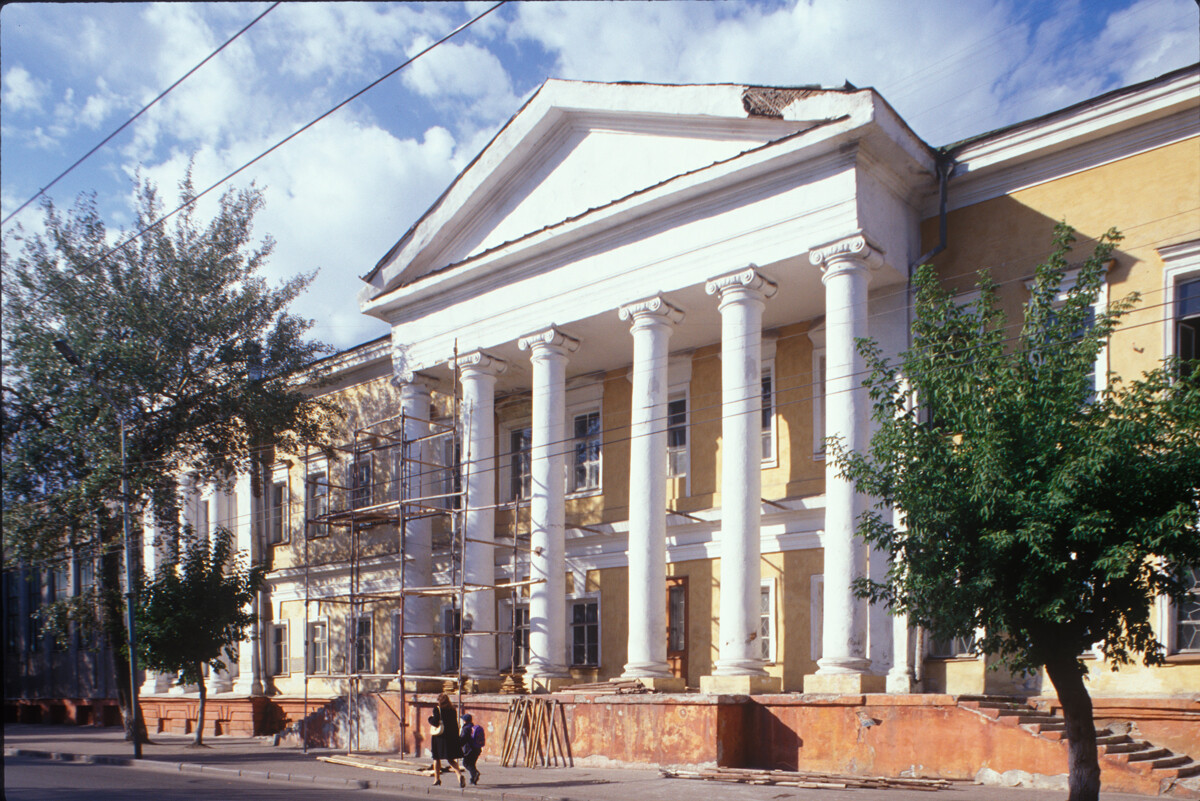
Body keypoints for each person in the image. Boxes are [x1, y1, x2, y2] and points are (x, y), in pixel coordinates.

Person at [428, 693, 466, 787]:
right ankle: (459, 774)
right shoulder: (452, 710)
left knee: (436, 758)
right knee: (450, 758)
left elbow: (435, 723)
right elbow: (455, 724)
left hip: (439, 737)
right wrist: (456, 737)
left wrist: (430, 719)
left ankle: (437, 779)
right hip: (451, 737)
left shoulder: (437, 709)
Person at [459, 712, 485, 785]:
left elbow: (463, 739)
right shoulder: (473, 727)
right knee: (472, 764)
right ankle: (473, 779)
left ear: (465, 721)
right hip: (477, 748)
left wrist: (458, 744)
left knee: (466, 763)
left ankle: (475, 773)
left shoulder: (466, 728)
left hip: (469, 749)